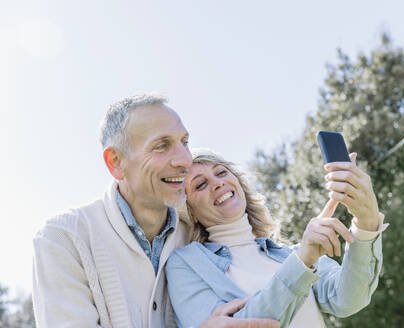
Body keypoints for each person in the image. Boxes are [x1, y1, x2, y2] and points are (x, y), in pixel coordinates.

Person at [32, 94, 279, 328]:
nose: (184, 160)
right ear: (116, 162)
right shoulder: (62, 238)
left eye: (185, 143)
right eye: (162, 146)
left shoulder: (199, 236)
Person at [166, 148, 388, 328]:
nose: (217, 183)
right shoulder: (186, 264)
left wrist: (366, 224)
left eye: (222, 172)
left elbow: (348, 300)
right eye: (200, 184)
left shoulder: (289, 254)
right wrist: (302, 262)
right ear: (191, 212)